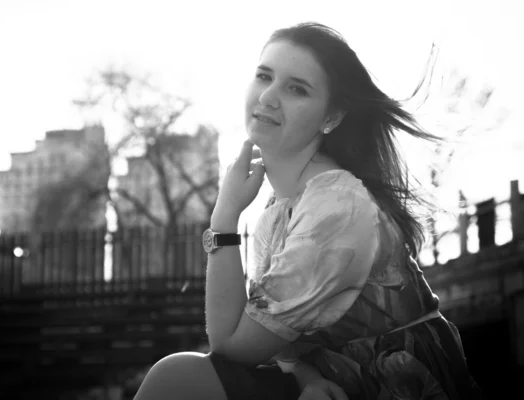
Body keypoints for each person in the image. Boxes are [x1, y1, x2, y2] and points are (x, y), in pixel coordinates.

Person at [133, 22, 482, 400]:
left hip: (395, 388)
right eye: (264, 76)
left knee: (178, 378)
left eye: (296, 88)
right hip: (335, 384)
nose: (267, 96)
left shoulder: (336, 208)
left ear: (331, 117)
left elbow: (230, 346)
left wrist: (225, 215)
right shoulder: (278, 210)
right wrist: (302, 374)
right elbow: (273, 333)